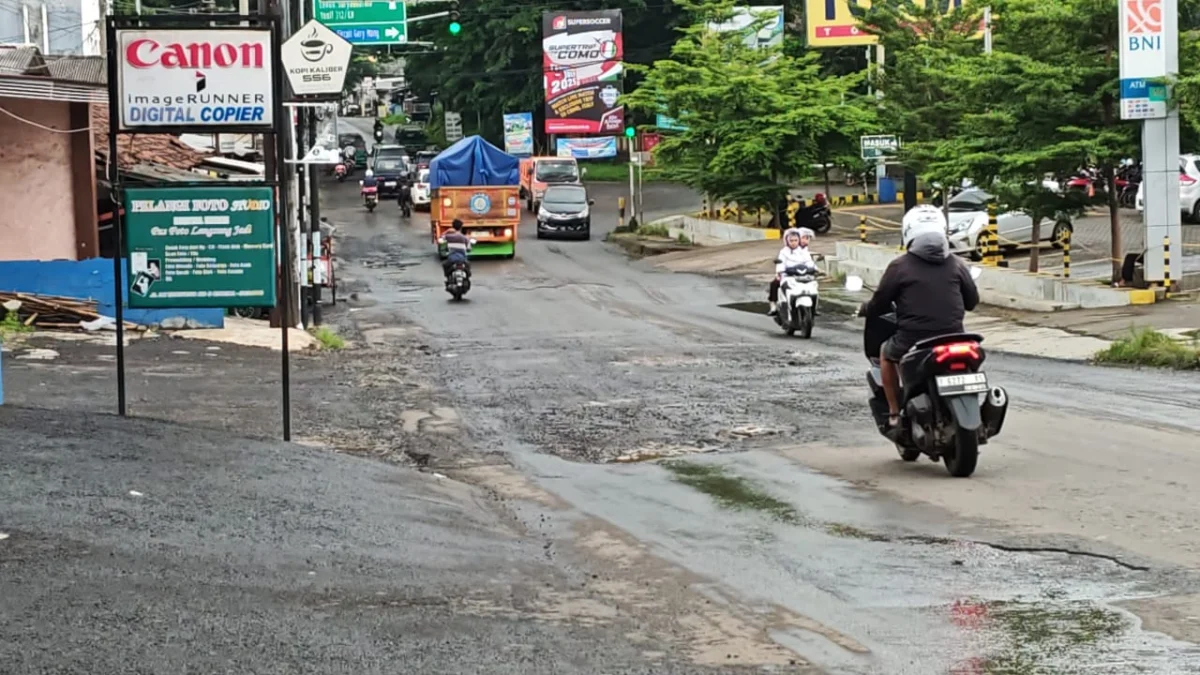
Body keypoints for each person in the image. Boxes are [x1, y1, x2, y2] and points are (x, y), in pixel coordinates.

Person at [860, 205, 979, 437]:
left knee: (885, 352)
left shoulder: (899, 266)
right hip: (955, 338)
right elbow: (972, 301)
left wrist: (866, 308)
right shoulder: (956, 263)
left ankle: (894, 413)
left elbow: (880, 304)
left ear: (908, 233)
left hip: (914, 340)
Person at [767, 227, 815, 316]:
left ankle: (813, 307)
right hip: (787, 276)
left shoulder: (803, 252)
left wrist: (813, 269)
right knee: (774, 284)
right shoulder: (783, 252)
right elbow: (780, 263)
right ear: (787, 241)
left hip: (802, 275)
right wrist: (779, 272)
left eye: (795, 240)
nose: (793, 243)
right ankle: (773, 305)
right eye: (791, 240)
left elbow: (809, 262)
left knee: (813, 286)